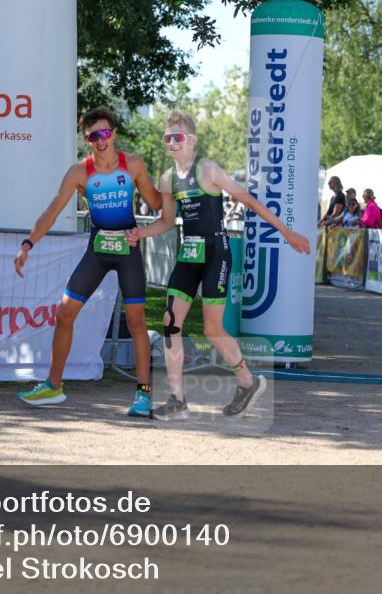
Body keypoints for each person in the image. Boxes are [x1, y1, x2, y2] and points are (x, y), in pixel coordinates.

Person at [128, 111, 308, 420]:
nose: (172, 143)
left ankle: (248, 382)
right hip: (188, 253)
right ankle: (177, 399)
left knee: (213, 329)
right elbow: (168, 221)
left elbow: (249, 201)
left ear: (192, 139)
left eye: (178, 137)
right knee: (170, 324)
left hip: (216, 252)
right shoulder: (167, 179)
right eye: (168, 138)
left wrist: (286, 232)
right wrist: (140, 233)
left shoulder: (208, 170)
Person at [14, 107, 162, 416]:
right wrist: (28, 243)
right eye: (94, 136)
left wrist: (177, 187)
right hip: (98, 250)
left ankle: (144, 395)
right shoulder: (79, 172)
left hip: (128, 251)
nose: (101, 140)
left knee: (136, 321)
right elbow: (53, 210)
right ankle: (54, 387)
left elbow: (157, 202)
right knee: (64, 313)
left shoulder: (132, 165)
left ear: (114, 134)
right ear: (87, 140)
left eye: (105, 133)